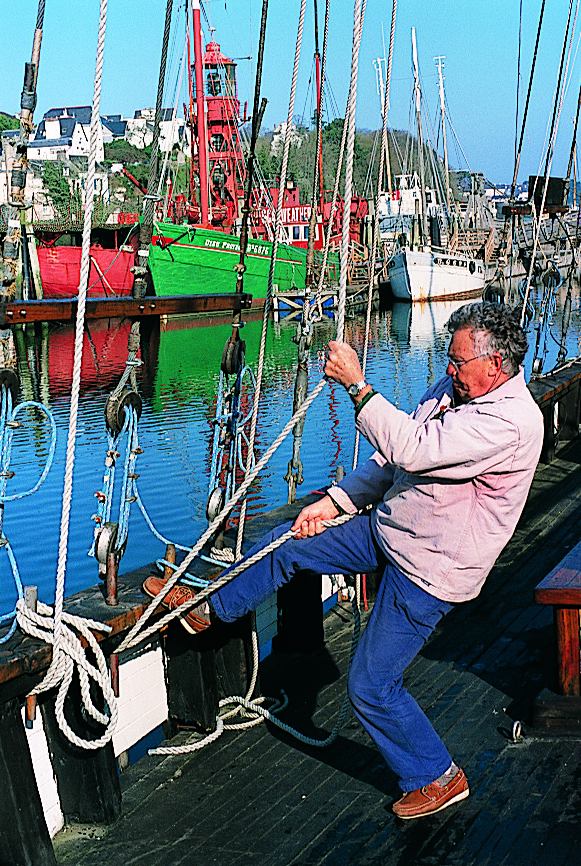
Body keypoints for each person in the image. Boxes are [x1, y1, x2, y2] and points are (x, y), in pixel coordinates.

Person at [144, 301, 544, 819]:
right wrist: (332, 504)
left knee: (371, 687)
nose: (449, 369)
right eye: (449, 357)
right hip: (389, 529)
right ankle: (208, 610)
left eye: (459, 361)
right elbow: (387, 467)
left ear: (494, 365)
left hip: (431, 568)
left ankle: (436, 775)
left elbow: (413, 450)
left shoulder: (512, 422)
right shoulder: (454, 391)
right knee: (292, 542)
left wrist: (358, 385)